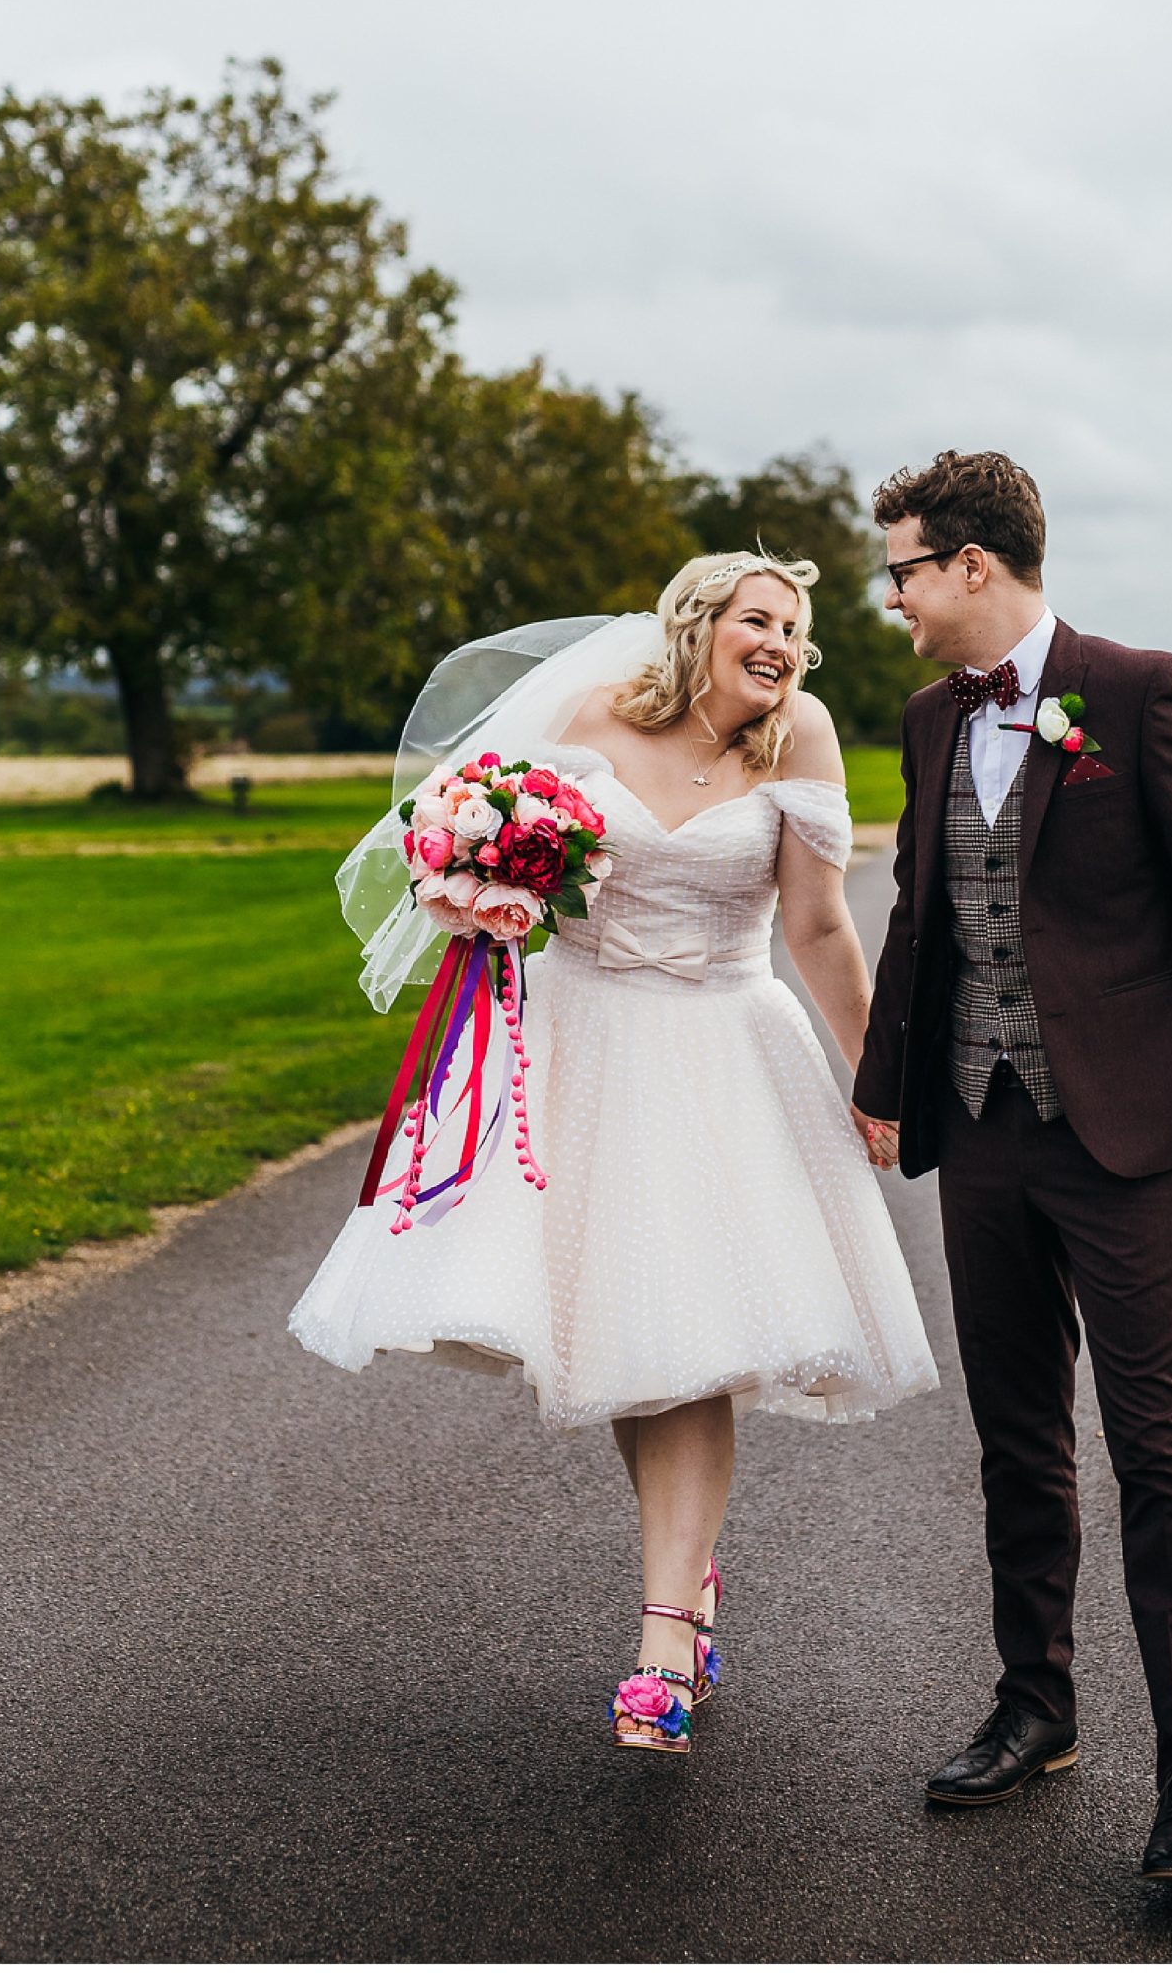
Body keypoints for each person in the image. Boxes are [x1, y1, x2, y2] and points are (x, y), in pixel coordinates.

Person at [291, 553, 937, 1756]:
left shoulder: (799, 739)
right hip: (580, 1048)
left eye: (796, 630)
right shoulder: (585, 719)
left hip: (725, 1052)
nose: (783, 644)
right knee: (633, 1338)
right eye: (760, 619)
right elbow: (493, 865)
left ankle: (661, 1641)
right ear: (695, 626)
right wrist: (479, 886)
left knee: (691, 1347)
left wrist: (875, 1078)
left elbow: (816, 920)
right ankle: (687, 1586)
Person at [850, 449, 1172, 1884]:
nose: (894, 600)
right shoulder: (930, 719)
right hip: (977, 1129)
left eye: (904, 571)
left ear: (973, 564)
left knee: (1156, 1445)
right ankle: (1034, 1705)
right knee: (1015, 1439)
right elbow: (924, 913)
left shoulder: (1139, 688)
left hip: (1121, 1132)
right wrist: (882, 1092)